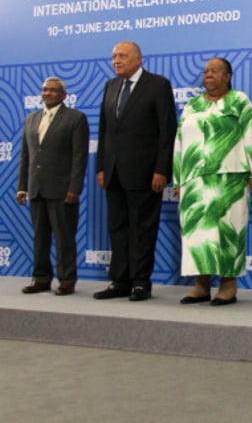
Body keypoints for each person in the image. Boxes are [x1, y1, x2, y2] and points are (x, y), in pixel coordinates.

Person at [173, 57, 252, 306]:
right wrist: (178, 179)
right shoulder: (192, 105)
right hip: (195, 180)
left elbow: (250, 134)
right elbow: (179, 142)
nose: (208, 75)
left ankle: (228, 286)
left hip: (230, 179)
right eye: (205, 71)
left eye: (215, 71)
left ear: (228, 76)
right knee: (198, 235)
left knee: (228, 232)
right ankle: (201, 286)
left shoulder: (239, 101)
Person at [94, 41, 177, 302]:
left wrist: (162, 169)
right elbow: (105, 130)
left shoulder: (158, 85)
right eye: (113, 56)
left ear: (138, 59)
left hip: (145, 172)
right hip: (113, 172)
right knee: (117, 227)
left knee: (143, 229)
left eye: (122, 56)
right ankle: (120, 280)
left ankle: (141, 282)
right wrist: (100, 167)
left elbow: (167, 130)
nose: (116, 60)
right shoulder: (111, 86)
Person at [16, 77, 89, 295]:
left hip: (62, 189)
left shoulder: (75, 119)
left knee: (64, 236)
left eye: (53, 90)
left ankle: (67, 280)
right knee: (40, 237)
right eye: (45, 90)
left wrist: (74, 188)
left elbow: (79, 156)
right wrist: (22, 187)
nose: (48, 93)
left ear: (63, 95)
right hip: (36, 188)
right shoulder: (31, 119)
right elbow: (25, 156)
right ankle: (41, 279)